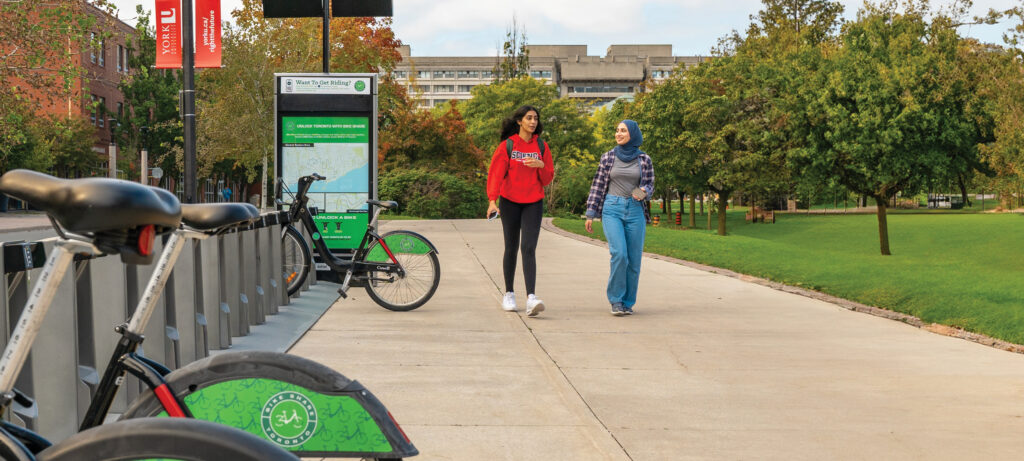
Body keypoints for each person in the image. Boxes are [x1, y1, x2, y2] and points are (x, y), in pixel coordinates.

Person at [486, 105, 555, 317]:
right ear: (519, 121)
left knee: (529, 247)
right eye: (529, 118)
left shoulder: (541, 146)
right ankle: (508, 293)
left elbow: (547, 178)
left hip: (533, 202)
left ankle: (531, 298)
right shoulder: (507, 146)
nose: (533, 122)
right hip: (510, 201)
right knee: (511, 247)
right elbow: (496, 174)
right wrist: (492, 201)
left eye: (535, 118)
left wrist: (540, 165)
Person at [584, 120, 654, 316]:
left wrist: (643, 191)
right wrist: (591, 213)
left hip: (635, 211)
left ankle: (628, 302)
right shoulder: (608, 157)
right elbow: (597, 186)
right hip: (611, 209)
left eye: (623, 130)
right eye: (617, 130)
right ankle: (615, 300)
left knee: (634, 261)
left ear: (633, 134)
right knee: (619, 254)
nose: (618, 133)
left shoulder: (644, 159)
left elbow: (649, 185)